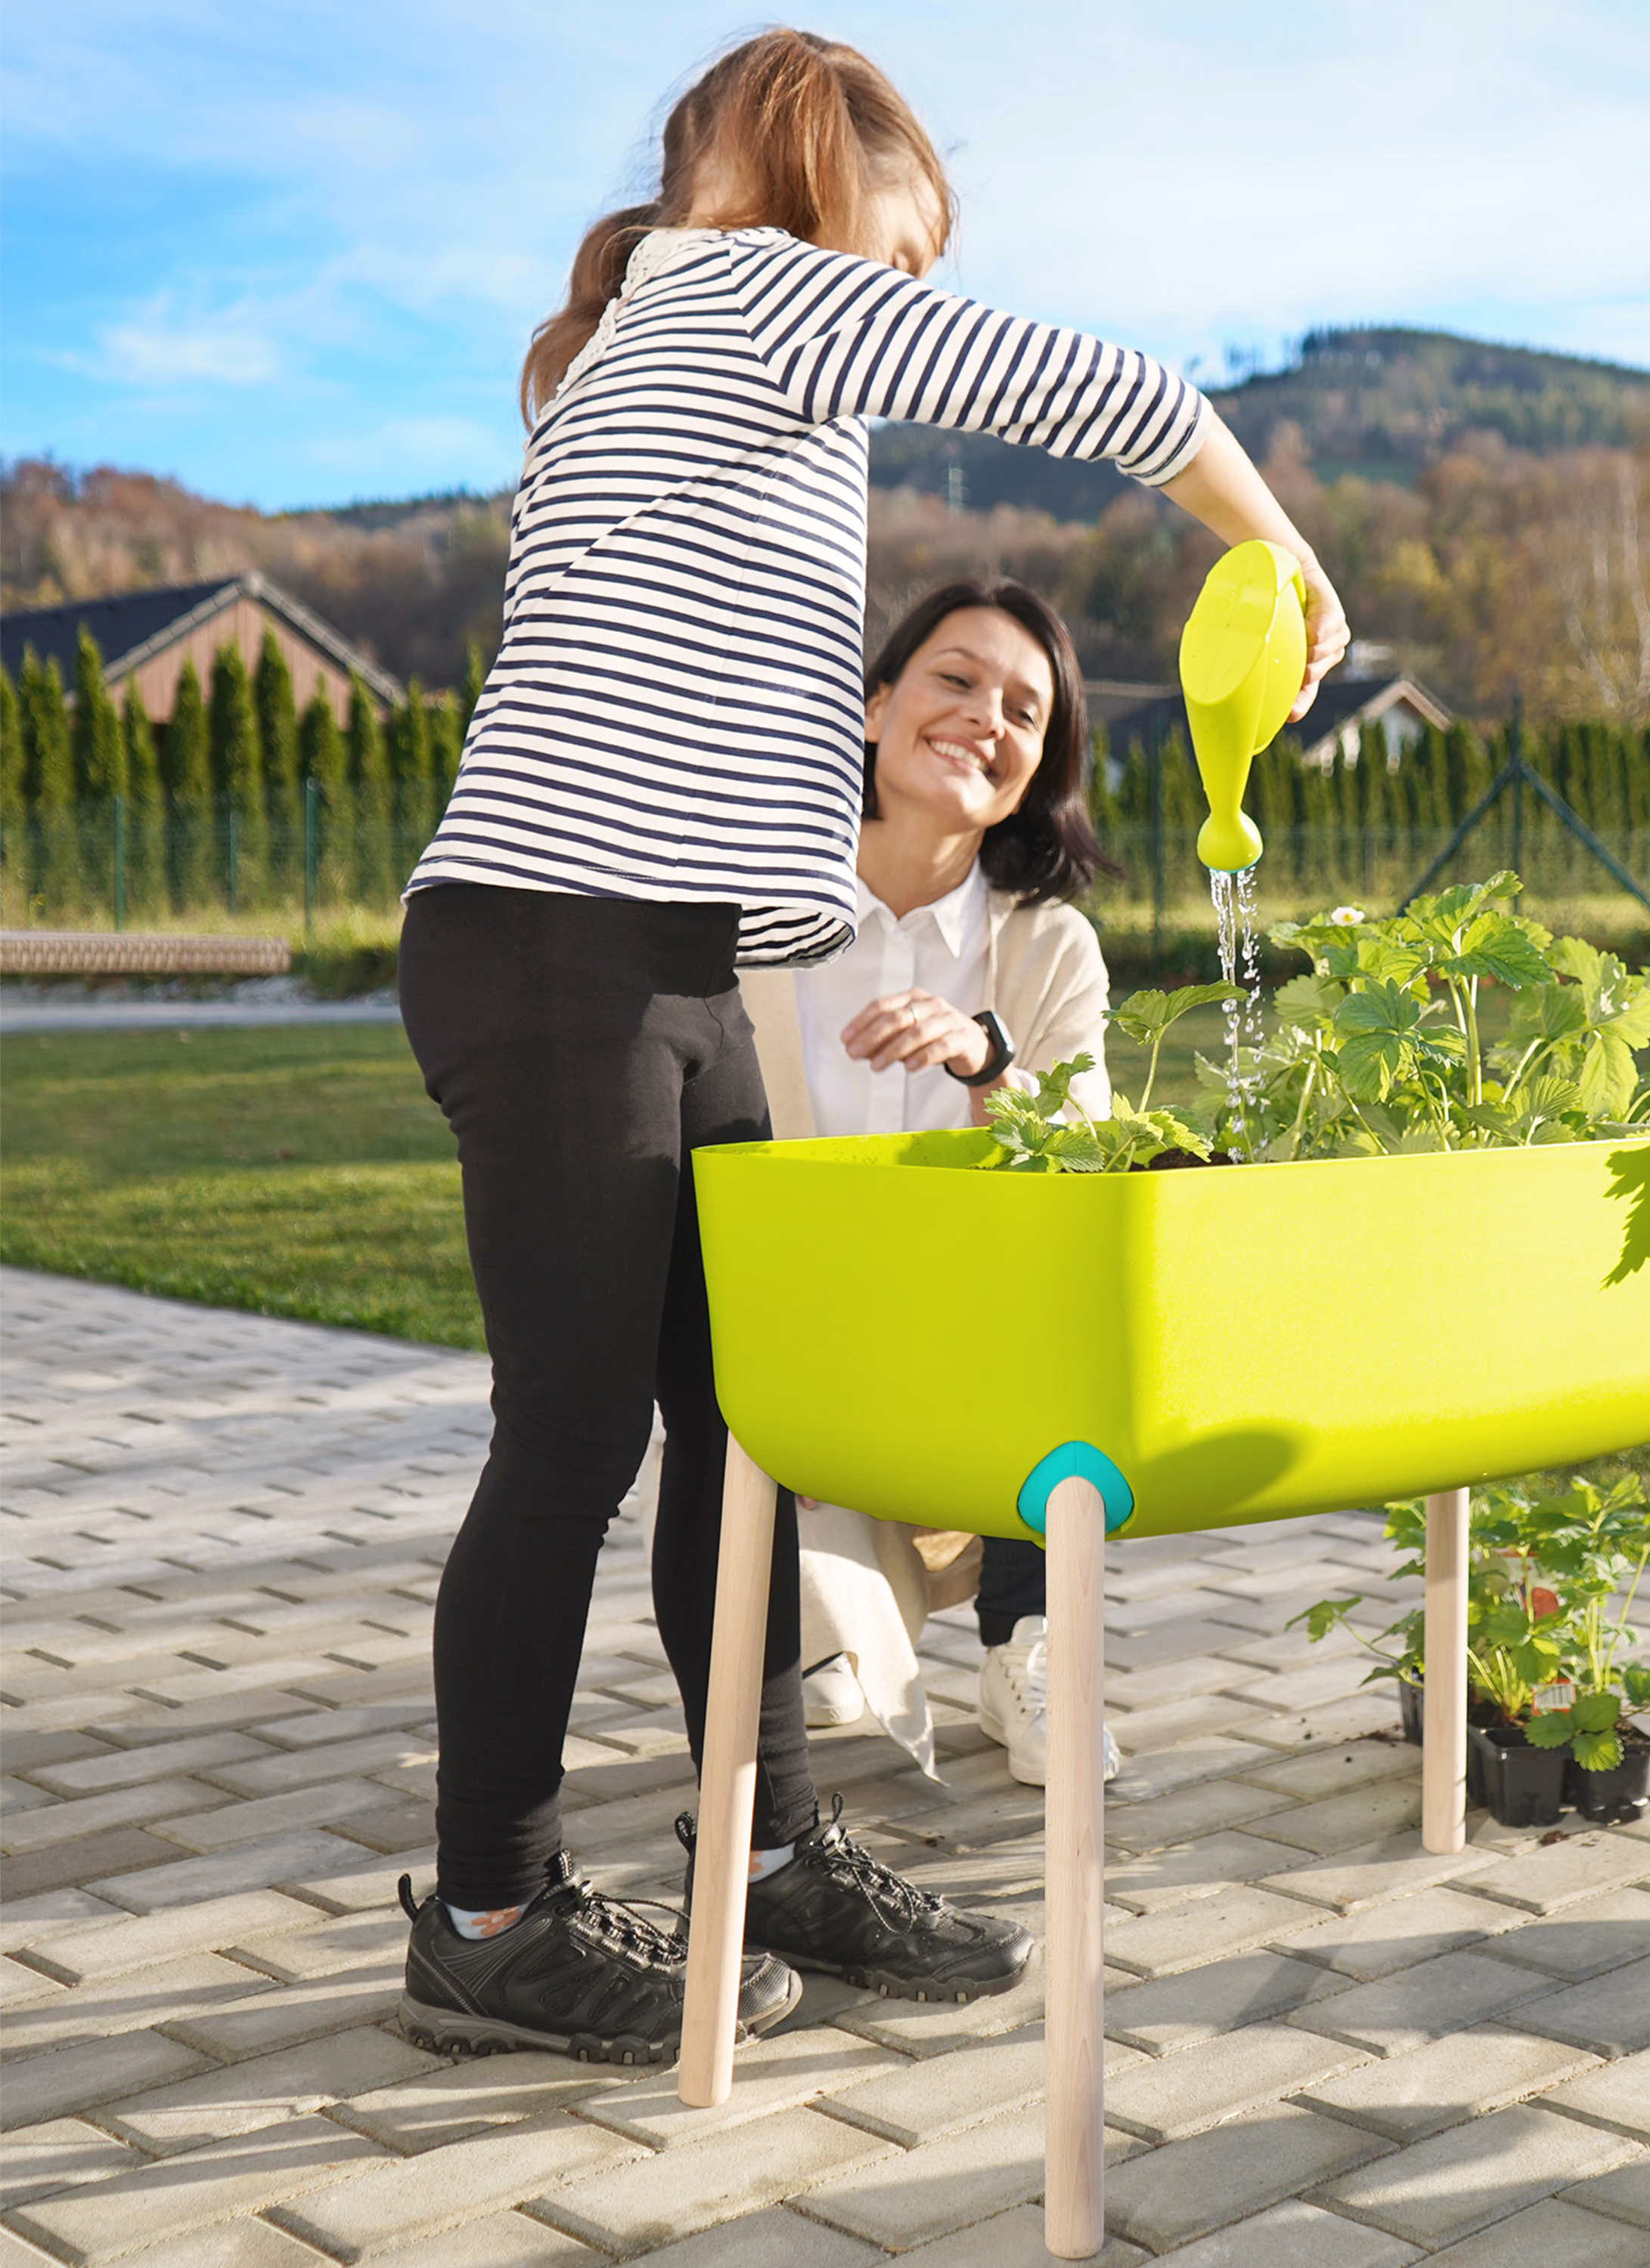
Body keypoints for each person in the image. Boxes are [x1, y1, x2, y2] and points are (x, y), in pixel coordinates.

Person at [391, 26, 1347, 2066]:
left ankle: (769, 1849)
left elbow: (710, 703)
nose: (903, 298)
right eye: (902, 252)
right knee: (574, 1435)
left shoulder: (653, 347)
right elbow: (1116, 394)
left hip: (653, 955)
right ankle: (488, 1911)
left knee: (750, 1421)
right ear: (802, 168)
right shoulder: (743, 288)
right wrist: (1277, 547)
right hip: (557, 946)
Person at [743, 578, 1124, 1788]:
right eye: (956, 679)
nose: (984, 719)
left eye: (1024, 711)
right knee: (828, 1676)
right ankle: (833, 1624)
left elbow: (1087, 1175)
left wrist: (988, 1062)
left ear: (1039, 767)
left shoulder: (1050, 947)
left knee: (1075, 1294)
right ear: (874, 706)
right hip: (791, 1354)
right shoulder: (752, 919)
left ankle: (1028, 1644)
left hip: (984, 1357)